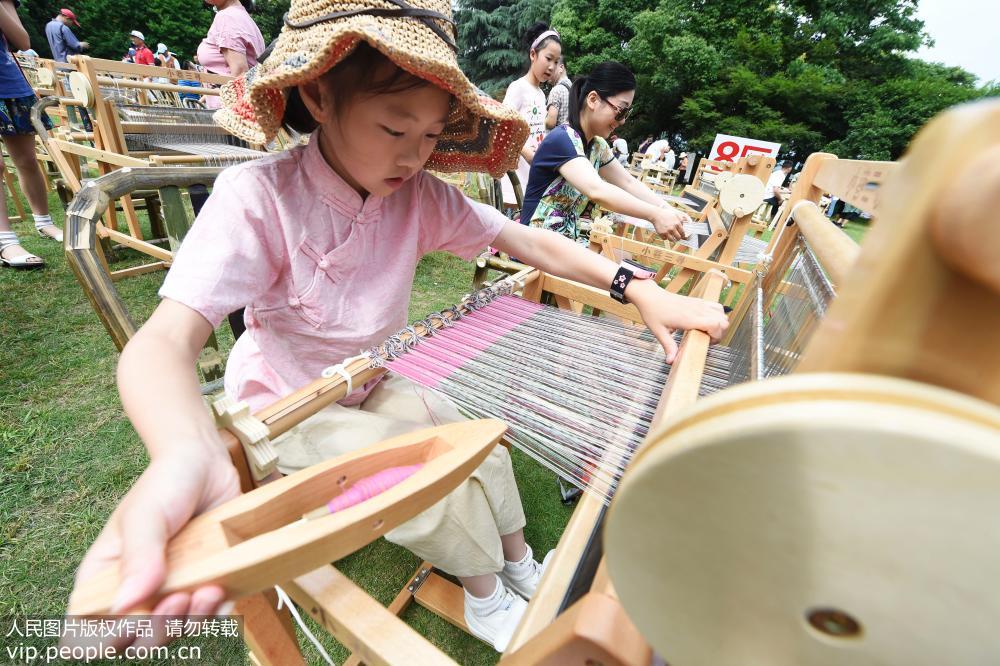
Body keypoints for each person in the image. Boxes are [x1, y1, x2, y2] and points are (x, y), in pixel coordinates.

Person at [66, 0, 729, 654]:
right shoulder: (259, 198)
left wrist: (634, 285)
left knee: (481, 444)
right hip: (293, 404)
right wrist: (187, 449)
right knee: (430, 489)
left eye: (433, 136)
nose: (415, 157)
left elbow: (520, 239)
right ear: (320, 97)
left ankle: (521, 565)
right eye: (394, 128)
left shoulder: (417, 195)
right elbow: (162, 343)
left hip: (375, 375)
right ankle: (485, 595)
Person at [521, 62, 692, 244]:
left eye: (627, 113)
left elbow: (628, 182)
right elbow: (597, 190)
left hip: (562, 242)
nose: (623, 121)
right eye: (621, 111)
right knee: (616, 270)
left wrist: (666, 209)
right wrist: (655, 215)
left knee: (619, 266)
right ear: (593, 99)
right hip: (534, 244)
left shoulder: (597, 146)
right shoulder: (563, 139)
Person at [0, 0, 61, 269]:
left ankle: (44, 223)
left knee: (27, 160)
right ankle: (5, 241)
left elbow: (22, 40)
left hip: (9, 82)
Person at [501, 22, 561, 204]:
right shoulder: (518, 87)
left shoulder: (542, 95)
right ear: (533, 54)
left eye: (556, 62)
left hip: (531, 176)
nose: (551, 66)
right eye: (548, 58)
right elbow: (503, 128)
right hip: (513, 176)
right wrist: (526, 153)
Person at [197, 0, 265, 109]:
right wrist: (208, 95)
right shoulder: (242, 16)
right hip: (228, 107)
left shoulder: (227, 17)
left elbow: (240, 74)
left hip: (228, 112)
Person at [544, 56, 570, 130]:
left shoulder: (556, 90)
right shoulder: (572, 87)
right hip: (572, 138)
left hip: (559, 138)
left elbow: (550, 123)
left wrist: (538, 121)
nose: (547, 71)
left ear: (561, 68)